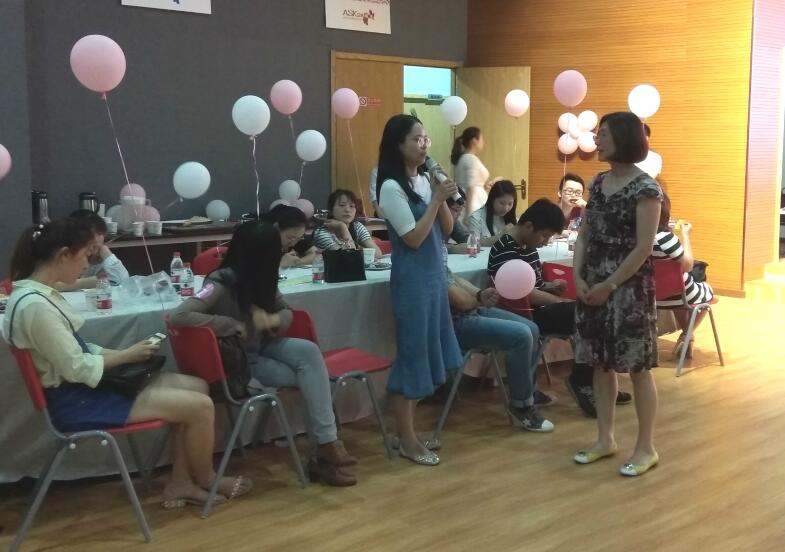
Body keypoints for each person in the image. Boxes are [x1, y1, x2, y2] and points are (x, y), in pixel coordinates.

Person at [3, 218, 251, 508]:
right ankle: (207, 479)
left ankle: (181, 482)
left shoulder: (36, 297)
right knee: (200, 406)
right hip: (75, 400)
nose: (86, 265)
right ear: (64, 255)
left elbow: (79, 351)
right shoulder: (35, 306)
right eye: (84, 256)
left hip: (80, 389)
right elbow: (77, 368)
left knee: (197, 386)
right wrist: (127, 355)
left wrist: (123, 353)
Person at [170, 221, 358, 486]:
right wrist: (231, 325)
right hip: (241, 363)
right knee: (314, 378)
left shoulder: (263, 277)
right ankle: (325, 451)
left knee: (309, 352)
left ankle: (326, 446)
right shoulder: (221, 280)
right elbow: (179, 316)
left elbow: (287, 312)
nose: (284, 250)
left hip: (262, 347)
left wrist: (273, 320)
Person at [572, 112, 663, 477]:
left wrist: (609, 285)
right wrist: (578, 276)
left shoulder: (647, 189)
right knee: (599, 363)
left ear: (624, 138)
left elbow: (643, 247)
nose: (597, 140)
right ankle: (604, 438)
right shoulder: (597, 182)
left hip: (629, 289)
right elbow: (584, 234)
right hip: (592, 282)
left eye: (604, 134)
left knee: (638, 368)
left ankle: (646, 447)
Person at [487, 199, 632, 415]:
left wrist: (551, 286)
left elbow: (534, 285)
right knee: (589, 316)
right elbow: (523, 293)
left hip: (536, 309)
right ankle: (583, 381)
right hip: (524, 315)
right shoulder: (506, 249)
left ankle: (600, 383)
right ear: (528, 226)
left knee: (600, 314)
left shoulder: (527, 245)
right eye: (544, 236)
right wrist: (560, 301)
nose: (545, 242)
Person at [377, 114, 462, 466]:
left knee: (427, 352)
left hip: (433, 277)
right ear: (398, 145)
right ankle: (407, 440)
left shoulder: (426, 180)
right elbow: (412, 238)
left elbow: (447, 230)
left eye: (426, 138)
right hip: (411, 281)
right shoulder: (390, 187)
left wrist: (441, 195)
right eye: (416, 139)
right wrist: (434, 201)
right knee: (412, 357)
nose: (424, 144)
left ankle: (407, 434)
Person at [446, 266, 552, 432]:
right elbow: (461, 302)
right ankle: (521, 405)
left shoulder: (436, 251)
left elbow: (454, 278)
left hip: (470, 312)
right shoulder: (426, 257)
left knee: (532, 329)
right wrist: (479, 299)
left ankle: (528, 392)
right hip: (453, 324)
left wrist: (479, 293)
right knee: (522, 336)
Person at [652, 193, 714, 358]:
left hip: (650, 294)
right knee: (707, 292)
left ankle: (686, 337)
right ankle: (687, 335)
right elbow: (687, 265)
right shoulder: (665, 238)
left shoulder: (637, 237)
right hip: (678, 294)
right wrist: (685, 236)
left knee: (678, 297)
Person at [55, 209, 129, 291]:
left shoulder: (100, 259)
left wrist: (106, 252)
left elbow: (123, 281)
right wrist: (90, 282)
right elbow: (50, 284)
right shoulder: (64, 253)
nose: (96, 239)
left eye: (99, 234)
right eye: (91, 234)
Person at [312, 189, 382, 258]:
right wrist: (343, 228)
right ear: (331, 210)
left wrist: (359, 250)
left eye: (351, 206)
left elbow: (378, 254)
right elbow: (350, 257)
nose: (347, 210)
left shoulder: (357, 226)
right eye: (342, 205)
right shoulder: (322, 233)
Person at [451, 126, 491, 218]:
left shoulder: (465, 158)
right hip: (473, 205)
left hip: (474, 201)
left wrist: (484, 186)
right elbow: (470, 187)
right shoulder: (470, 159)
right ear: (474, 141)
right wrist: (468, 214)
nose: (483, 142)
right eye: (481, 139)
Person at [467, 179, 517, 247]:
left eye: (510, 204)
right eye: (502, 203)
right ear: (492, 199)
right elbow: (474, 244)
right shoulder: (476, 218)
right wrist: (501, 236)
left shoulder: (512, 218)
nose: (506, 208)